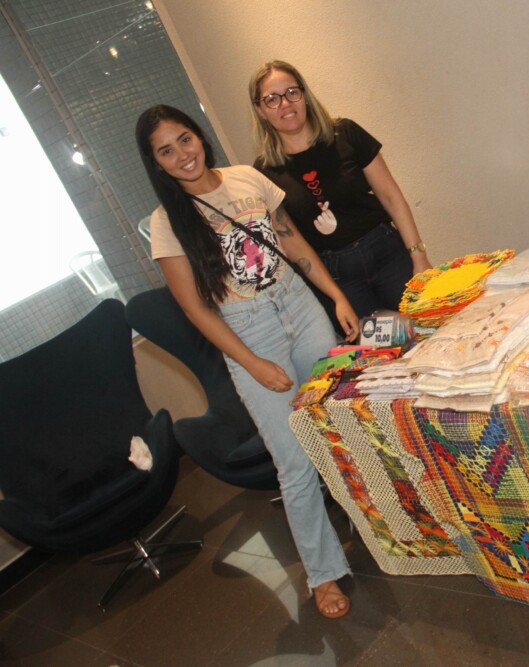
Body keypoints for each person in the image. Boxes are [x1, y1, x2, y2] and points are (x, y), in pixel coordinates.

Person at [135, 104, 358, 620]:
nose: (181, 155)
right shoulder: (167, 223)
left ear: (199, 135)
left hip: (300, 306)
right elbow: (195, 309)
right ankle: (323, 572)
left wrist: (335, 296)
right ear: (156, 163)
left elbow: (291, 242)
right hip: (249, 330)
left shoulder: (246, 178)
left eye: (184, 139)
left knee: (342, 423)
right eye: (165, 151)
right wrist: (252, 363)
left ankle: (385, 526)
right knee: (293, 460)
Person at [249, 60, 432, 326]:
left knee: (430, 326)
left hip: (388, 255)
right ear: (260, 110)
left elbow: (392, 198)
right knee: (383, 349)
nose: (285, 104)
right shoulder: (264, 172)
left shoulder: (346, 133)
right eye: (272, 99)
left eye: (291, 92)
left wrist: (419, 257)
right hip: (339, 280)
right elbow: (294, 245)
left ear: (304, 95)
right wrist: (336, 298)